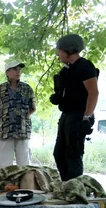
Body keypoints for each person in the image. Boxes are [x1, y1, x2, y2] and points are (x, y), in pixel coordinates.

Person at [50, 34, 99, 181]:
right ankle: (67, 185)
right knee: (59, 153)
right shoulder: (67, 70)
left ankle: (75, 190)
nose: (58, 54)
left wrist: (87, 117)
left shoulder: (85, 66)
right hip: (66, 115)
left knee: (73, 154)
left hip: (79, 115)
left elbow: (94, 93)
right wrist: (58, 97)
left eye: (59, 51)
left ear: (68, 50)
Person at [0, 61, 36, 172]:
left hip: (23, 131)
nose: (18, 71)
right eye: (15, 69)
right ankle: (3, 187)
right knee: (4, 163)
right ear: (7, 72)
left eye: (19, 69)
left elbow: (33, 108)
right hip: (5, 131)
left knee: (24, 164)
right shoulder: (0, 89)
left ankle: (25, 187)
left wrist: (23, 118)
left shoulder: (27, 89)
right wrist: (1, 118)